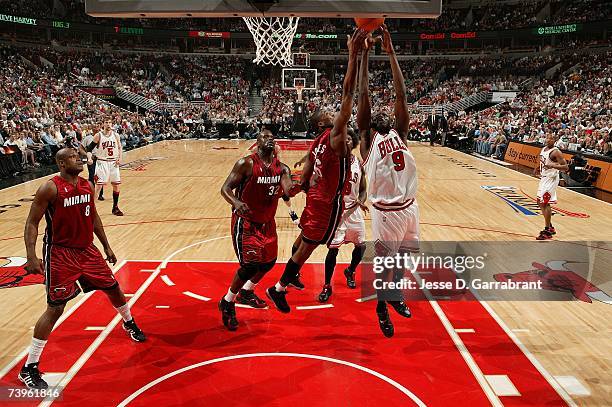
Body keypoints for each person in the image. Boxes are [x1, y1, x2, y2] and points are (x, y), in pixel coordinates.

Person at [20, 148, 145, 389]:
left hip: (87, 250)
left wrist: (106, 246)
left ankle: (128, 322)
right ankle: (29, 367)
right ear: (60, 163)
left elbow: (94, 217)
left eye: (80, 155)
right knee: (55, 308)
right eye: (73, 156)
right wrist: (31, 256)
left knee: (113, 288)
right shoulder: (50, 188)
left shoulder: (87, 184)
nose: (79, 157)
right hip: (60, 254)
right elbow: (32, 222)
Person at [266, 29, 368, 313]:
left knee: (303, 241)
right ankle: (279, 288)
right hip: (326, 204)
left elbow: (309, 168)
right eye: (329, 113)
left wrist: (296, 187)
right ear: (325, 123)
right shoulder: (334, 137)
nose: (334, 112)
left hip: (318, 199)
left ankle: (290, 278)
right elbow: (348, 93)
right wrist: (353, 55)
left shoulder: (318, 143)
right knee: (309, 247)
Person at [358, 25, 416, 338]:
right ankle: (381, 307)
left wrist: (392, 53)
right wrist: (365, 54)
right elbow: (363, 93)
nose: (382, 111)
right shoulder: (367, 140)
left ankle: (394, 296)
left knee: (404, 258)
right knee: (384, 264)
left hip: (410, 206)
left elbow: (401, 94)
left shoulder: (400, 133)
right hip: (386, 211)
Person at [219, 128, 300, 331]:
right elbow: (225, 189)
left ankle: (247, 291)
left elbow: (289, 190)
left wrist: (305, 183)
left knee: (268, 263)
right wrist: (236, 201)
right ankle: (228, 302)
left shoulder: (282, 169)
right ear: (257, 141)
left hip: (267, 223)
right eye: (265, 136)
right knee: (249, 266)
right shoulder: (246, 164)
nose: (269, 139)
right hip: (246, 223)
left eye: (272, 137)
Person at [318, 129, 368, 303]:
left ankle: (351, 270)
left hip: (354, 211)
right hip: (337, 212)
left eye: (349, 139)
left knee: (361, 247)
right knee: (333, 250)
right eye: (343, 139)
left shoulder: (358, 163)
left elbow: (362, 189)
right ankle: (326, 285)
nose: (346, 142)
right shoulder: (332, 162)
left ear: (353, 142)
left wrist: (362, 200)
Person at [534, 134, 568, 240]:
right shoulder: (544, 148)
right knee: (539, 202)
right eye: (547, 138)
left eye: (551, 138)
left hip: (551, 179)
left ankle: (547, 231)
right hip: (544, 178)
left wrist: (553, 166)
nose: (548, 140)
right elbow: (542, 161)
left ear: (555, 140)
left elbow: (566, 167)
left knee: (545, 203)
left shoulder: (556, 152)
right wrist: (537, 168)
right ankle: (551, 227)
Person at [86, 120, 122, 215]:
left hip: (114, 162)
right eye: (106, 122)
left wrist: (120, 158)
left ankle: (115, 207)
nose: (108, 124)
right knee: (98, 186)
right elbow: (89, 149)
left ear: (112, 124)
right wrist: (89, 157)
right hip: (102, 162)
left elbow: (119, 147)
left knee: (116, 185)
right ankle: (91, 209)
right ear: (103, 124)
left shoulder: (116, 135)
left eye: (110, 122)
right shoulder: (98, 135)